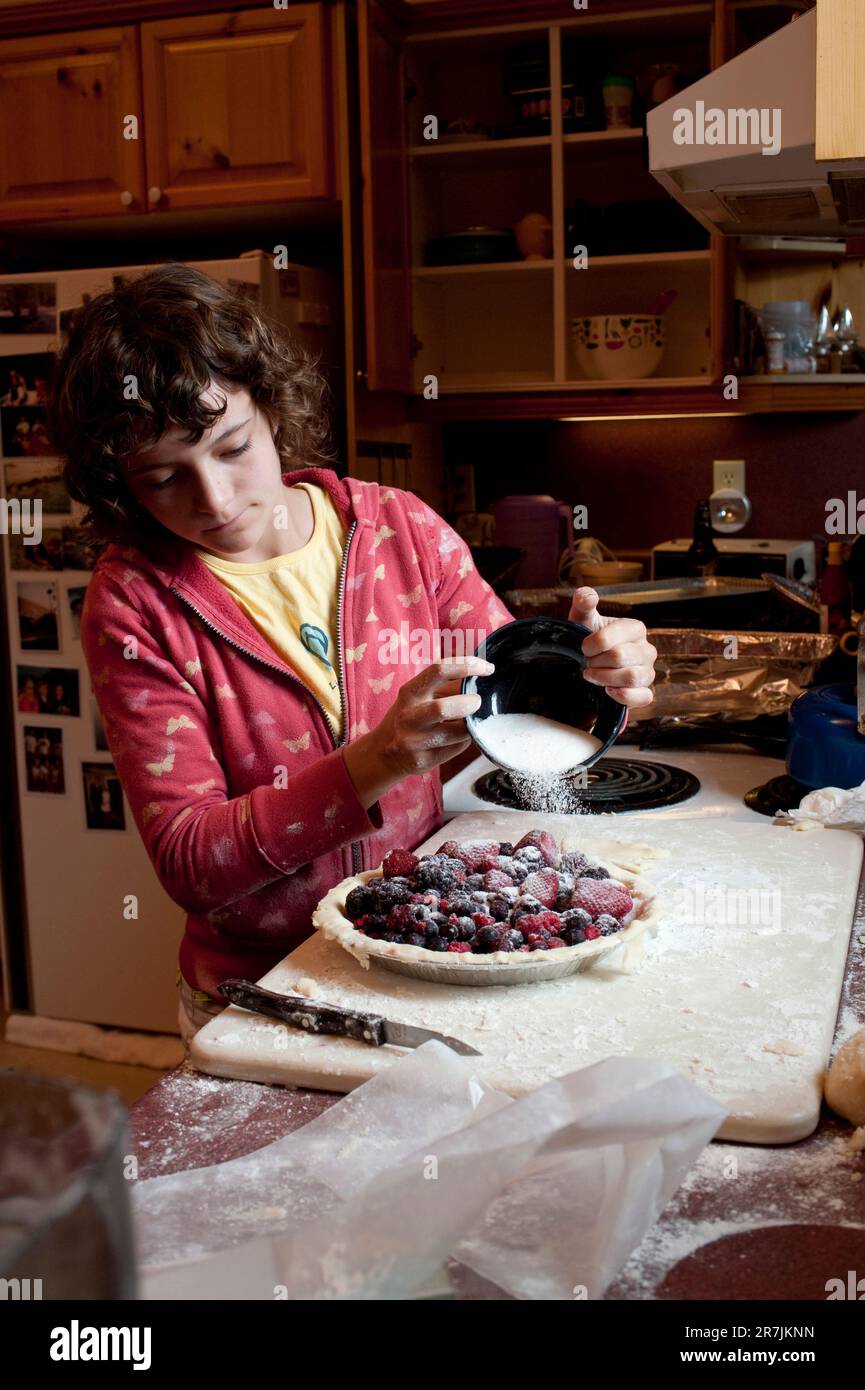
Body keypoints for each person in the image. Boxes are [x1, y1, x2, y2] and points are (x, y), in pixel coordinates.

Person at [46, 263, 657, 1046]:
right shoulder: (136, 603)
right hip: (269, 998)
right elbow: (192, 862)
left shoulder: (398, 531)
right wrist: (378, 759)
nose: (216, 500)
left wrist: (597, 677)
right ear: (122, 487)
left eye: (232, 447)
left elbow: (516, 708)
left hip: (421, 961)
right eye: (164, 478)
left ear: (271, 408)